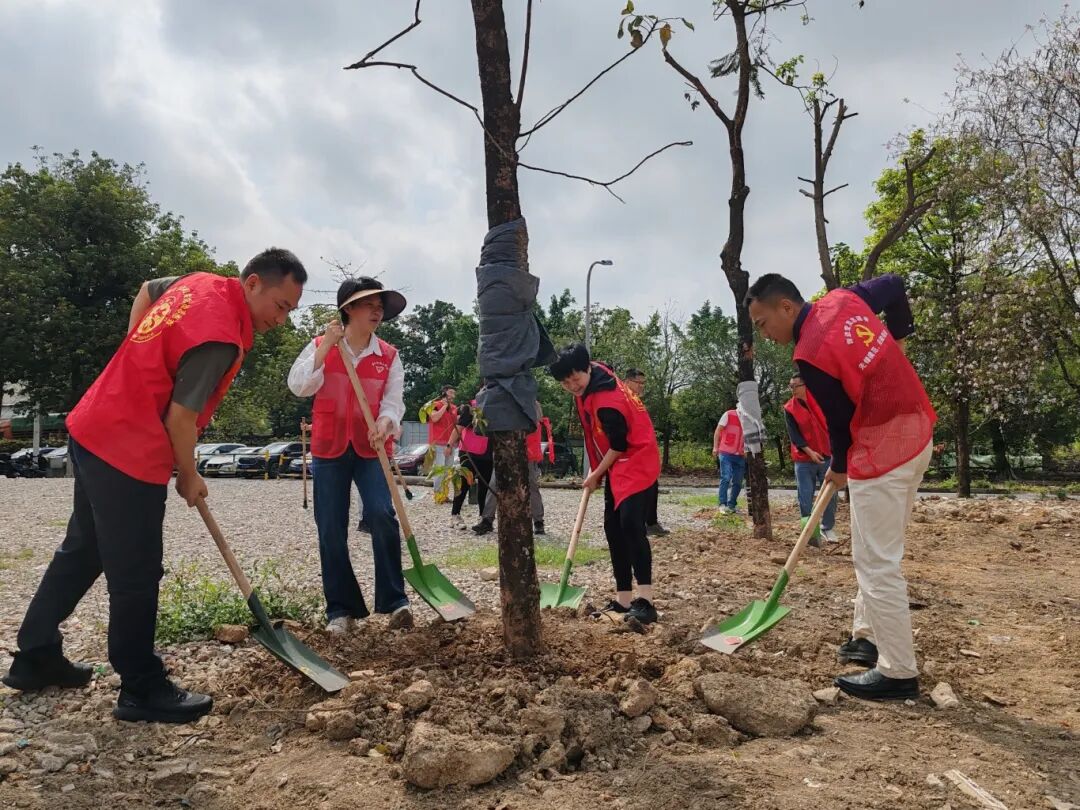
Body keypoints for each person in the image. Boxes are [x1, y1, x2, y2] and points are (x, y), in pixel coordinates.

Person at [2, 249, 307, 723]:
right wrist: (189, 474)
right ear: (251, 284)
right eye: (281, 305)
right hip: (128, 447)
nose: (282, 320)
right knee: (137, 574)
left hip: (94, 423)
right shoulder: (220, 337)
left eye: (290, 311)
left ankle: (35, 655)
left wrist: (135, 357)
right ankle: (141, 686)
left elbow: (147, 290)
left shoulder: (200, 282)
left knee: (84, 549)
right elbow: (180, 419)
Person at [747, 272, 935, 701]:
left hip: (884, 451)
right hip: (916, 431)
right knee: (880, 550)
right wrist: (900, 338)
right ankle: (867, 638)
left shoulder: (809, 354)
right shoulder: (842, 300)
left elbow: (837, 420)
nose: (765, 334)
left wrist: (838, 464)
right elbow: (893, 284)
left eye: (762, 323)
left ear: (786, 308)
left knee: (875, 562)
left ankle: (898, 671)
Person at [287, 277, 414, 635]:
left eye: (380, 306)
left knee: (381, 513)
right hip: (329, 448)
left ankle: (395, 601)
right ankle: (340, 609)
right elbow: (299, 385)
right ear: (348, 309)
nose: (377, 311)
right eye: (368, 304)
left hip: (371, 448)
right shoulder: (321, 346)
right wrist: (325, 346)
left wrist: (386, 421)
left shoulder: (388, 356)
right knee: (330, 526)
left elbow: (394, 401)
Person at [549, 343, 661, 625]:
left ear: (587, 369)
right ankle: (624, 600)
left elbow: (619, 444)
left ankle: (645, 602)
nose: (572, 386)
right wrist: (601, 472)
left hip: (637, 458)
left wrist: (596, 473)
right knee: (613, 528)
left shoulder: (607, 401)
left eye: (576, 379)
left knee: (631, 527)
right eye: (565, 382)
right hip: (618, 463)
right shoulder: (593, 374)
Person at [472, 400, 549, 536]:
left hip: (527, 451)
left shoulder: (531, 402)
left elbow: (534, 423)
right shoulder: (502, 400)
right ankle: (487, 520)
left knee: (531, 486)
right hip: (505, 451)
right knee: (494, 484)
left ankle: (538, 521)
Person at [784, 372, 839, 545]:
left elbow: (834, 426)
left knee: (830, 495)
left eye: (795, 386)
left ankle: (827, 527)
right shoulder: (789, 408)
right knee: (805, 496)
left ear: (805, 385)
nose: (792, 389)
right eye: (790, 386)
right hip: (804, 459)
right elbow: (795, 436)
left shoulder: (821, 401)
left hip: (827, 456)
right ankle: (810, 532)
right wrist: (810, 453)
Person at [623, 369, 670, 537]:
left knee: (651, 486)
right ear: (628, 381)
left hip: (645, 453)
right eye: (638, 383)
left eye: (643, 383)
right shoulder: (624, 399)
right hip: (633, 454)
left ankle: (650, 522)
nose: (641, 387)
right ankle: (640, 524)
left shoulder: (636, 401)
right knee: (640, 490)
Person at [449, 394, 492, 531]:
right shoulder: (471, 409)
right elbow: (459, 428)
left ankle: (483, 516)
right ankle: (455, 515)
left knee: (485, 485)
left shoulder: (495, 409)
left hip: (487, 453)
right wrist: (449, 445)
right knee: (464, 483)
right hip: (469, 452)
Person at [426, 385, 458, 503]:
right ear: (444, 393)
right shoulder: (434, 404)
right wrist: (444, 406)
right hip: (438, 442)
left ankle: (444, 495)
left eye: (454, 393)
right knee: (439, 470)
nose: (453, 395)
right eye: (451, 392)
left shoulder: (454, 407)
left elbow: (457, 423)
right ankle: (438, 495)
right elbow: (434, 418)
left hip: (451, 442)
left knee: (448, 471)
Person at [712, 405, 745, 513]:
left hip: (740, 454)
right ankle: (722, 503)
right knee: (726, 477)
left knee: (738, 481)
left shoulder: (749, 418)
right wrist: (715, 447)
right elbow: (718, 431)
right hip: (726, 452)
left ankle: (732, 505)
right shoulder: (729, 414)